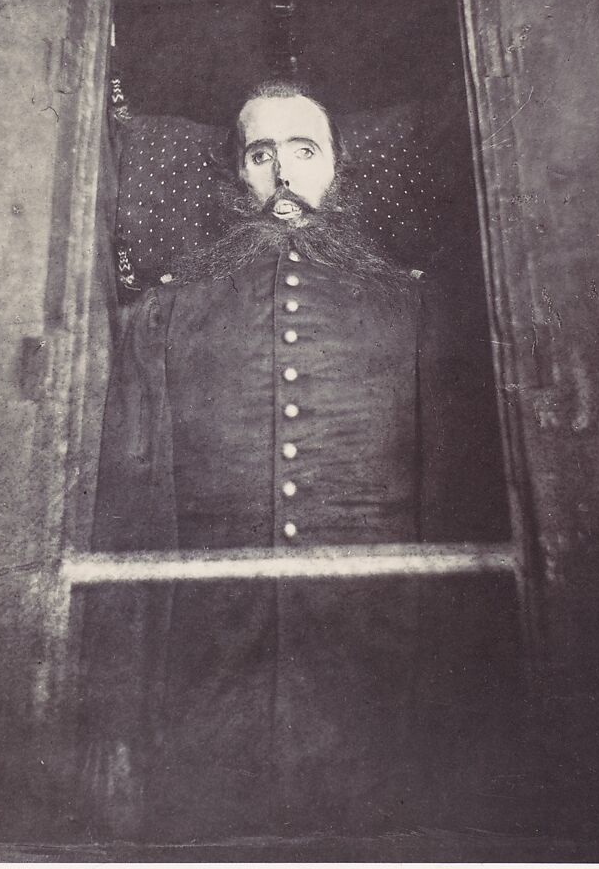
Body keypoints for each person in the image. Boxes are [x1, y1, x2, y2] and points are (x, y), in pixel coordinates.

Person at [77, 82, 518, 843]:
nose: (283, 173)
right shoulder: (165, 315)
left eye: (304, 150)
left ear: (337, 168)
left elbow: (457, 504)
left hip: (381, 657)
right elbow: (131, 509)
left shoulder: (414, 310)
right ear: (237, 175)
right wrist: (118, 713)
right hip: (209, 660)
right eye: (261, 155)